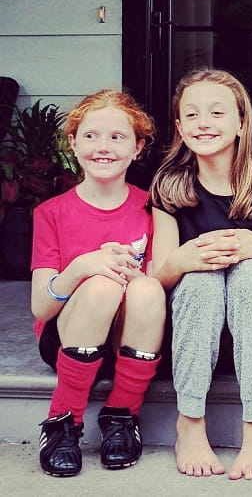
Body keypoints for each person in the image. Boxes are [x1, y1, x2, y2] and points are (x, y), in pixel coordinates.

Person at [149, 69, 252, 480]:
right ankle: (190, 423)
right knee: (199, 278)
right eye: (191, 115)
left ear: (241, 122)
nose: (204, 123)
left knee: (250, 273)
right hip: (193, 331)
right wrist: (184, 258)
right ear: (179, 127)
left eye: (217, 112)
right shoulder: (169, 186)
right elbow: (158, 278)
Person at [30, 89, 165, 477]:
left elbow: (155, 290)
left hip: (127, 339)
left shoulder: (151, 208)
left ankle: (122, 414)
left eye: (117, 137)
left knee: (146, 287)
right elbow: (41, 307)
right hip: (66, 336)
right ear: (73, 143)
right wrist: (82, 267)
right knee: (101, 284)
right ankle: (62, 420)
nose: (102, 147)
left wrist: (130, 273)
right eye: (90, 136)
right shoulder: (50, 213)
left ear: (138, 147)